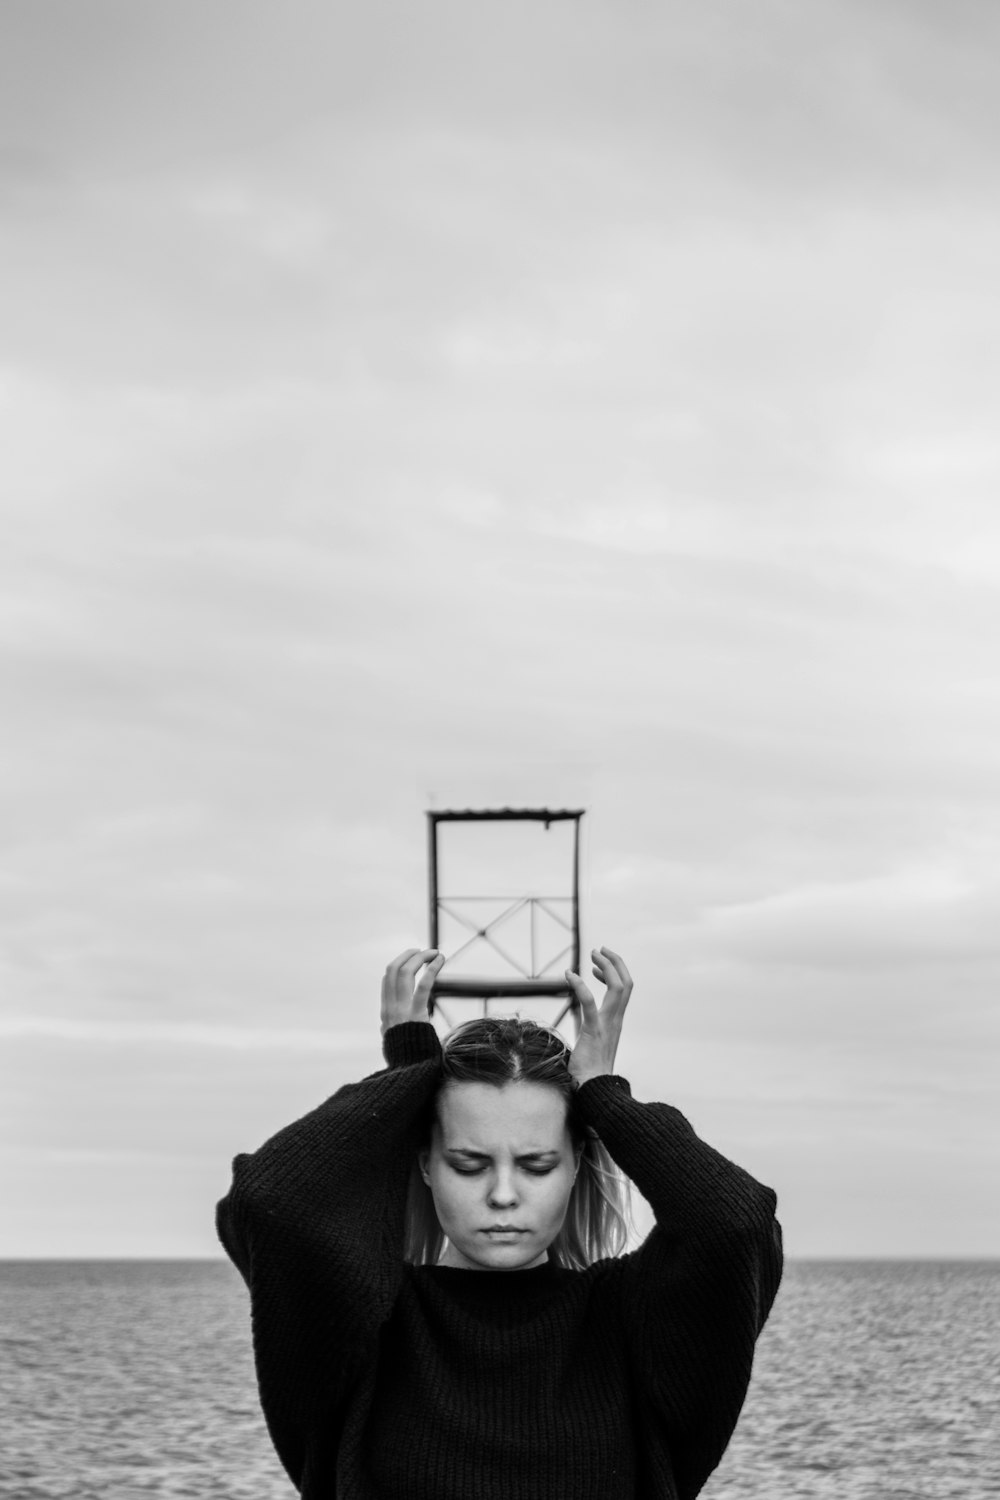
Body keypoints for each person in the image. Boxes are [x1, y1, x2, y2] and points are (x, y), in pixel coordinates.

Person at [217, 945, 783, 1500]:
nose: (503, 1195)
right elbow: (274, 1204)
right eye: (470, 1163)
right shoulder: (366, 1325)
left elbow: (735, 1226)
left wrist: (604, 1097)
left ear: (575, 1165)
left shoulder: (629, 1323)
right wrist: (408, 1076)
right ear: (427, 1165)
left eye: (537, 1165)